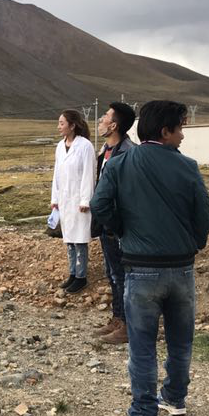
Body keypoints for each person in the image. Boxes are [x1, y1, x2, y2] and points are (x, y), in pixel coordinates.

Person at [91, 100, 209, 416]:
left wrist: (121, 230)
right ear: (165, 130)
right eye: (180, 128)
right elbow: (203, 213)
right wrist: (195, 242)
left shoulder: (120, 163)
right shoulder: (188, 166)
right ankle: (174, 397)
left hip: (141, 268)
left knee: (142, 345)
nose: (183, 135)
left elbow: (100, 204)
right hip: (182, 268)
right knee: (180, 340)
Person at [94, 102, 137, 344]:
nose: (101, 120)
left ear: (114, 126)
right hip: (106, 222)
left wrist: (117, 222)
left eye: (105, 117)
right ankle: (118, 318)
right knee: (112, 274)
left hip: (120, 224)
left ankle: (129, 325)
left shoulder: (129, 152)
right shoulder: (106, 151)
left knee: (123, 275)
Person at [51, 109, 95, 294]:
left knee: (80, 239)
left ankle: (81, 277)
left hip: (79, 201)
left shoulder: (85, 146)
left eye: (62, 123)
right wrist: (55, 199)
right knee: (69, 238)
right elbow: (57, 175)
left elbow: (89, 175)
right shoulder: (60, 146)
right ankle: (72, 273)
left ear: (72, 125)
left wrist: (85, 200)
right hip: (65, 200)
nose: (59, 127)